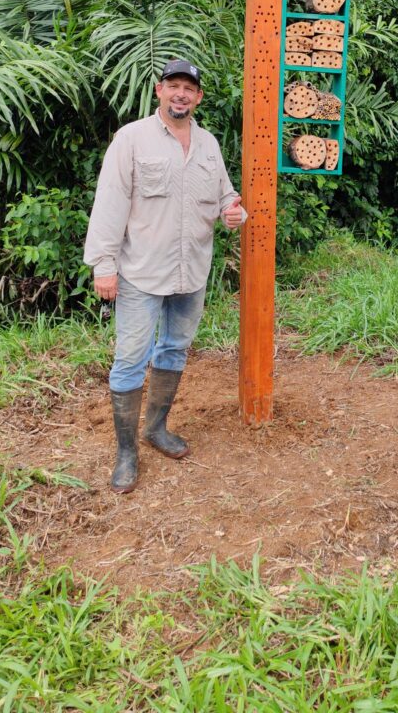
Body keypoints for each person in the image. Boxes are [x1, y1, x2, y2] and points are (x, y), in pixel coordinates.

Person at [84, 58, 247, 493]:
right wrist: (104, 265)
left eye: (188, 89)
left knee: (174, 348)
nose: (181, 94)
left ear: (198, 97)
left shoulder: (208, 144)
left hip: (191, 271)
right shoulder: (132, 139)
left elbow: (225, 194)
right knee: (130, 360)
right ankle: (126, 452)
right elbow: (110, 201)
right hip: (140, 272)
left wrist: (233, 210)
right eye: (173, 86)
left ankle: (156, 429)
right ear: (159, 90)